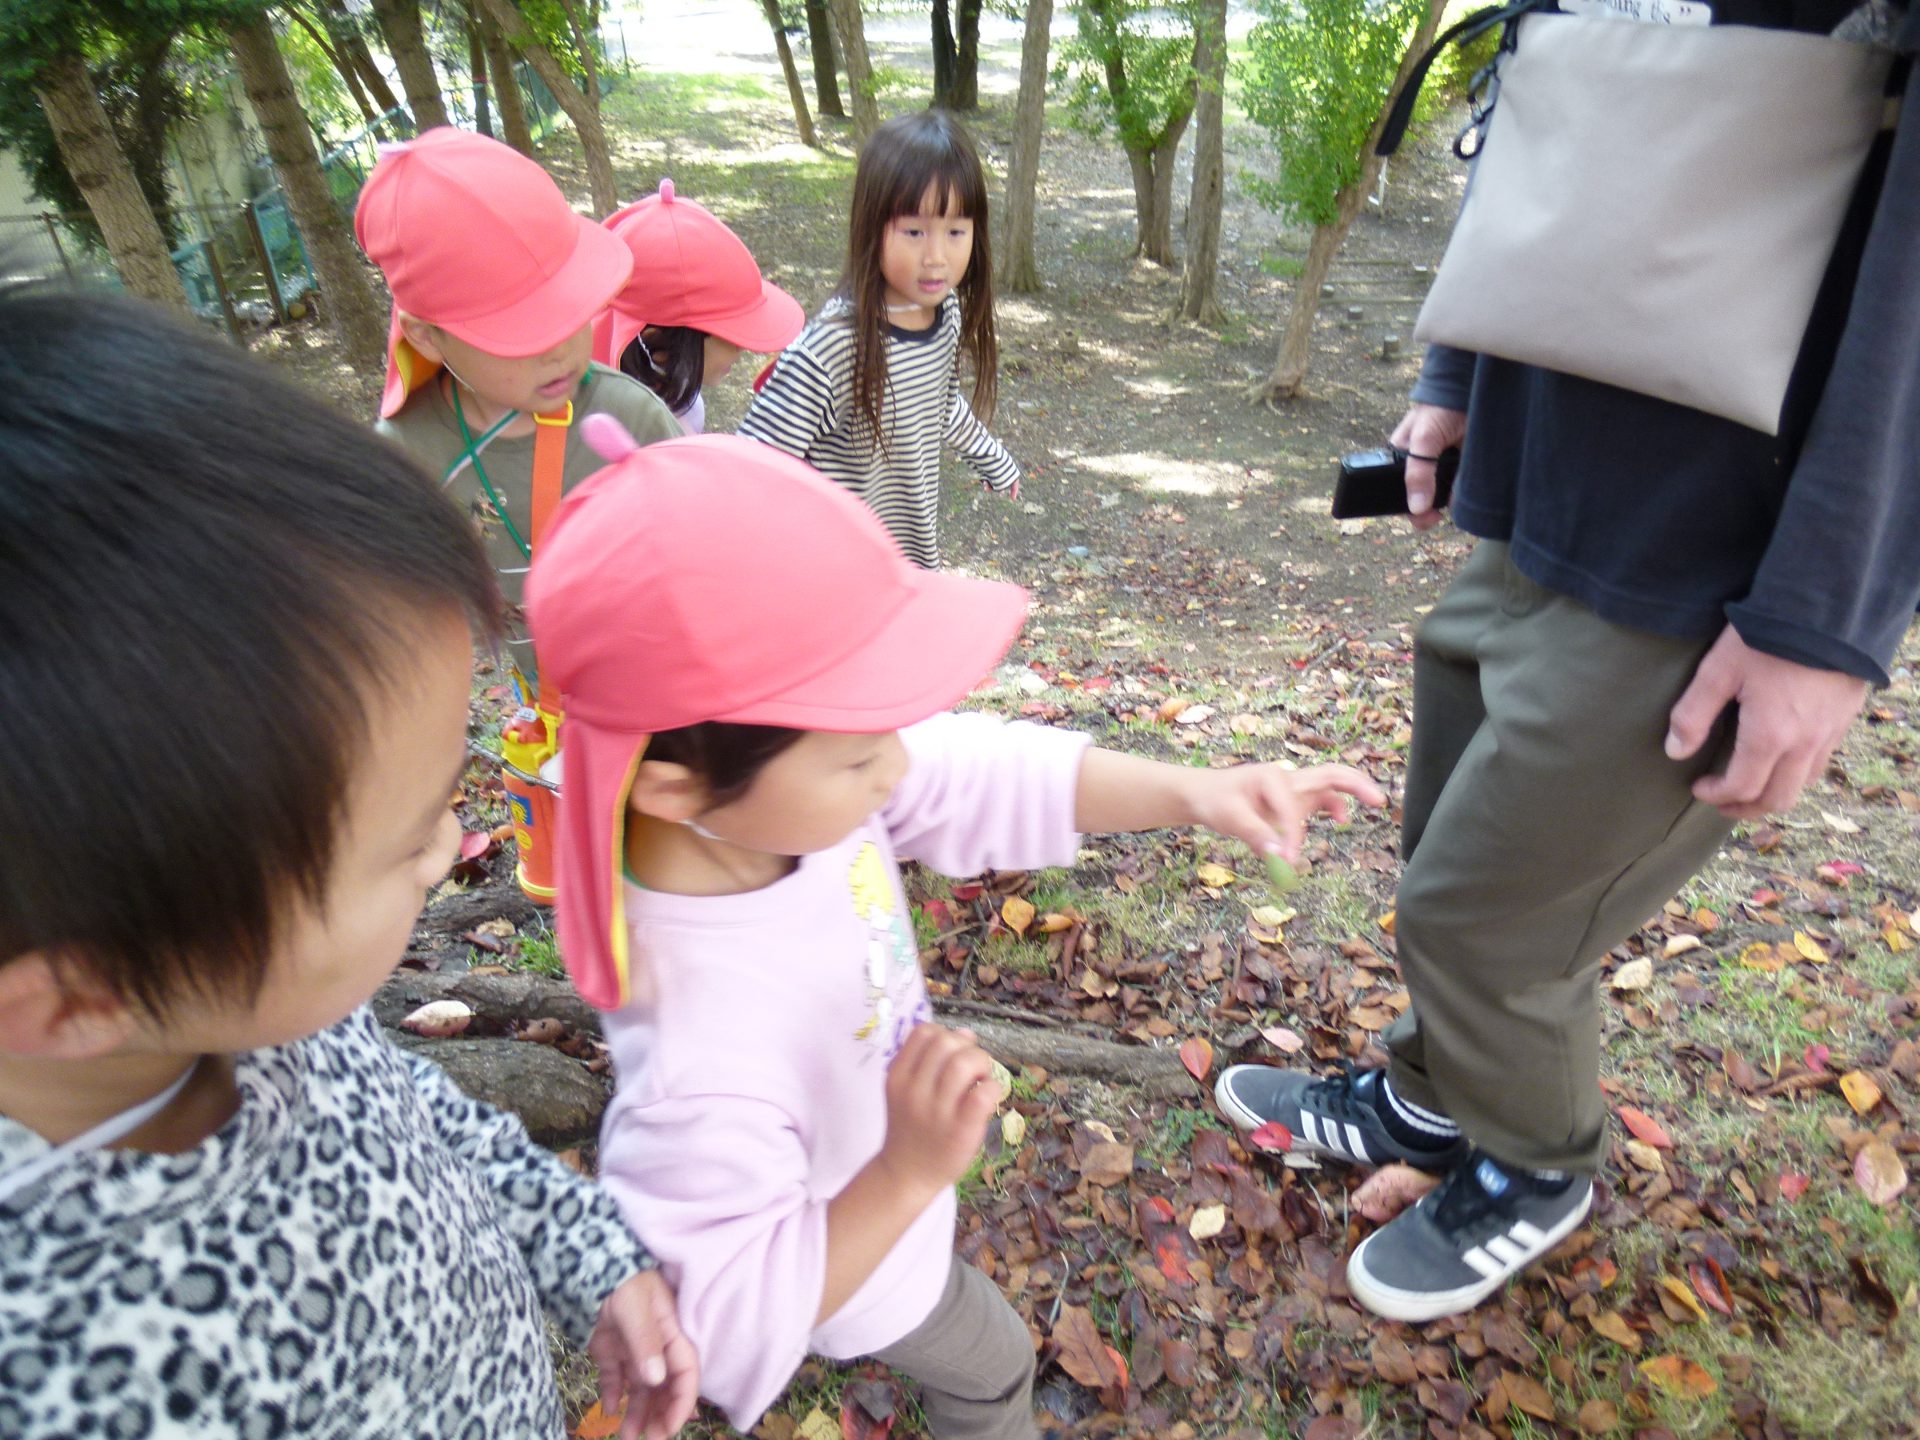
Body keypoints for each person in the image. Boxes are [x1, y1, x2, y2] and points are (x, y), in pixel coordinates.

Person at [1218, 0, 1919, 1324]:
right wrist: (1457, 372)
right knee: (1446, 849)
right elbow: (1554, 89)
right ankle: (1436, 1098)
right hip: (1538, 484)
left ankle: (1539, 1164)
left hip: (1715, 551)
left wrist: (1829, 614)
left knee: (1486, 917)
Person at [524, 428, 1385, 1434]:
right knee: (993, 1363)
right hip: (865, 1257)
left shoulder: (766, 795)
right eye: (859, 758)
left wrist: (1196, 792)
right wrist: (908, 1170)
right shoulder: (697, 1045)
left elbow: (978, 771)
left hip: (894, 1169)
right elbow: (725, 1312)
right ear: (672, 789)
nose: (898, 768)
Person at [0, 289, 697, 1440]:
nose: (450, 848)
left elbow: (419, 1120)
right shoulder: (85, 1376)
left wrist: (588, 1255)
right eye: (408, 836)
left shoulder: (254, 1004)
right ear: (81, 996)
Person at [356, 127, 682, 693]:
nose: (559, 349)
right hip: (544, 690)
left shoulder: (631, 418)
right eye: (521, 331)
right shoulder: (407, 455)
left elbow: (701, 542)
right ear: (427, 336)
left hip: (666, 679)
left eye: (570, 311)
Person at [739, 110, 1020, 569]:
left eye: (955, 231)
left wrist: (990, 456)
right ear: (873, 225)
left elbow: (939, 401)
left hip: (908, 564)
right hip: (834, 575)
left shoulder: (945, 313)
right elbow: (754, 464)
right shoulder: (833, 345)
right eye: (914, 232)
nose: (936, 256)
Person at [592, 179, 805, 434]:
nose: (745, 349)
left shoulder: (677, 395)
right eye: (734, 336)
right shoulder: (640, 431)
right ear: (655, 339)